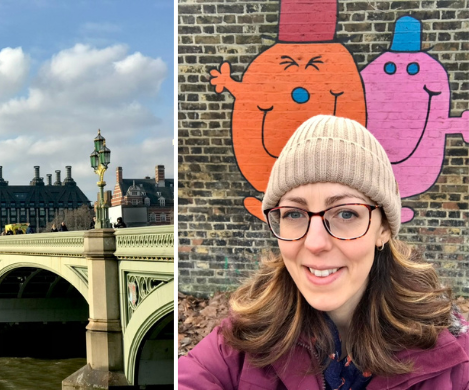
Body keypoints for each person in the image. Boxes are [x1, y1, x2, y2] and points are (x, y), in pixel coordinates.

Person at [179, 115, 469, 389]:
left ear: (384, 230)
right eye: (294, 214)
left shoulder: (455, 360)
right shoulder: (238, 344)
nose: (315, 243)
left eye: (345, 214)